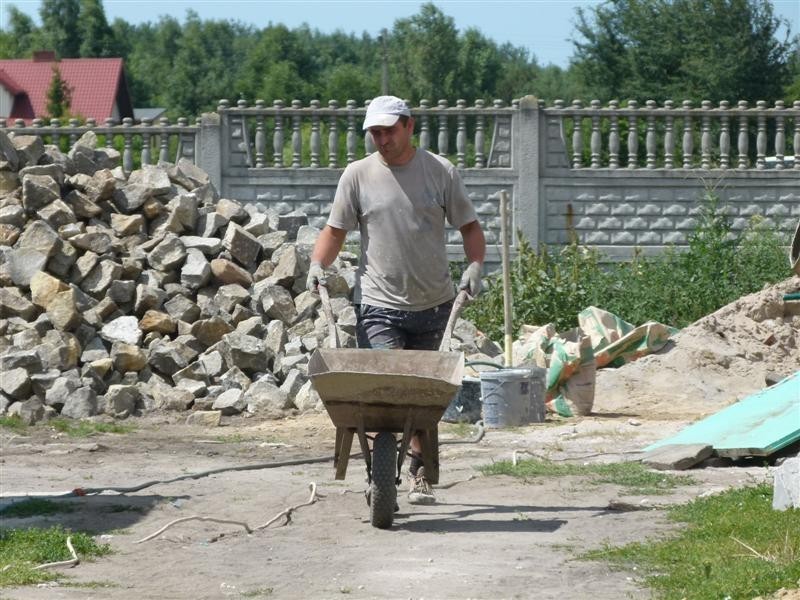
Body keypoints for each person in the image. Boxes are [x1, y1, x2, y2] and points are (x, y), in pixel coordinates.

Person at [307, 95, 486, 505]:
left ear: (409, 126)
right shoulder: (357, 175)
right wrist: (318, 263)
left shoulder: (440, 172)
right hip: (377, 304)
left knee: (422, 399)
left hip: (435, 303)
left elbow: (470, 226)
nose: (381, 139)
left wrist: (475, 265)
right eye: (374, 132)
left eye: (388, 130)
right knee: (383, 395)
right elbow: (335, 231)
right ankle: (380, 474)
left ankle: (419, 473)